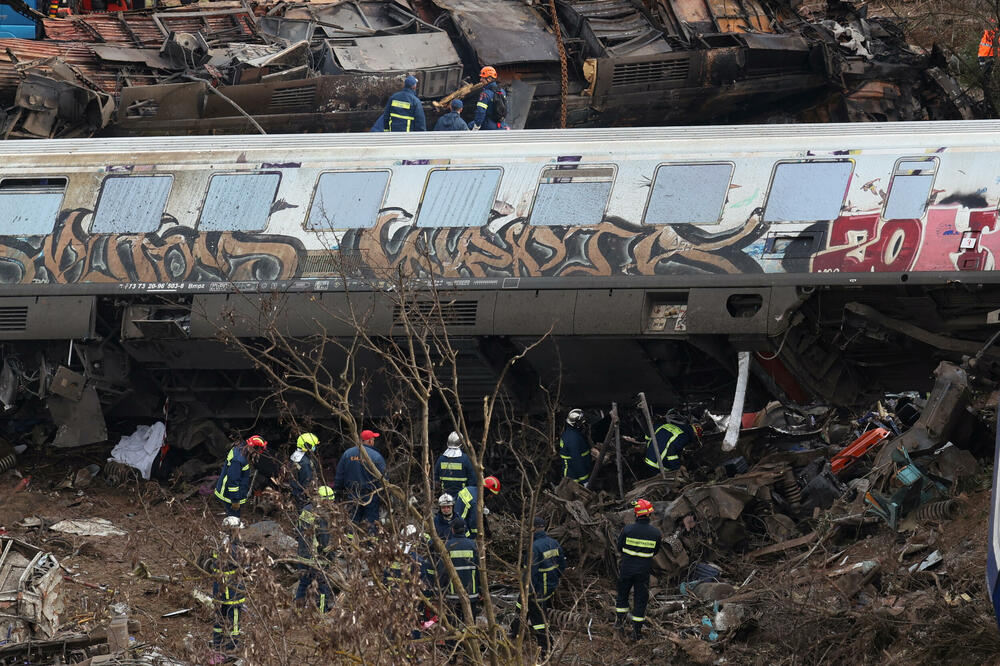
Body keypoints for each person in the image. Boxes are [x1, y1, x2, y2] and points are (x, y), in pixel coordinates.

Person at [509, 516, 565, 660]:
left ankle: (546, 648)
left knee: (538, 619)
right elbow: (562, 566)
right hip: (549, 586)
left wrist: (525, 587)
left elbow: (530, 572)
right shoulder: (554, 543)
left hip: (536, 588)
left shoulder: (534, 547)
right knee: (520, 605)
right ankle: (514, 631)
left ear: (532, 529)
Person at [615, 499, 661, 641]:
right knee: (640, 601)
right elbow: (655, 552)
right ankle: (636, 632)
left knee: (622, 596)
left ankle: (619, 625)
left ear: (636, 514)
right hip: (643, 572)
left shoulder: (627, 529)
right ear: (649, 514)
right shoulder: (656, 533)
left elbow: (619, 548)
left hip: (626, 569)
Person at [333, 429, 386, 527]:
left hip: (352, 495)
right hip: (371, 495)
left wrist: (337, 491)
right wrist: (383, 494)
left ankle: (351, 540)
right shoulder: (377, 457)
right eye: (373, 439)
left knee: (352, 523)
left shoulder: (347, 454)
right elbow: (384, 479)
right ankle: (372, 541)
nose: (373, 442)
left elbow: (340, 475)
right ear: (369, 441)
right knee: (371, 523)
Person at [294, 485, 335, 613]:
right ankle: (322, 610)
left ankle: (298, 609)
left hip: (303, 554)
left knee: (303, 583)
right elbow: (324, 538)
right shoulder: (320, 515)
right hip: (317, 558)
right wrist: (330, 553)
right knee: (322, 586)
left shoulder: (307, 510)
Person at [209, 516, 246, 657]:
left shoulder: (219, 544)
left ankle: (217, 644)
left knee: (219, 617)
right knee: (234, 618)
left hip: (218, 587)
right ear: (234, 530)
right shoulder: (235, 548)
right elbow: (243, 567)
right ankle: (232, 646)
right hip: (232, 588)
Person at [214, 435, 267, 518]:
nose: (259, 454)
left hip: (235, 493)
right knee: (234, 518)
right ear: (253, 447)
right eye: (259, 451)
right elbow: (233, 481)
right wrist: (235, 501)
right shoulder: (238, 460)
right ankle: (231, 529)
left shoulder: (242, 449)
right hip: (229, 494)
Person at [441, 517, 479, 620]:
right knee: (471, 623)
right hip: (471, 593)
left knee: (454, 624)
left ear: (452, 529)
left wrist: (440, 590)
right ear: (465, 529)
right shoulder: (473, 545)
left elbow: (442, 571)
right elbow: (479, 570)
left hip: (453, 593)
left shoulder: (447, 546)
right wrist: (481, 590)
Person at [434, 431, 476, 496]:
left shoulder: (441, 459)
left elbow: (435, 480)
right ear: (461, 444)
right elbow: (473, 481)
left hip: (444, 496)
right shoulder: (466, 459)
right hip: (463, 496)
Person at [469, 66, 509, 130]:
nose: (480, 80)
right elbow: (506, 110)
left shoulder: (485, 94)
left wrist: (476, 127)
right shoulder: (502, 91)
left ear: (489, 79)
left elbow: (480, 112)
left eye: (482, 78)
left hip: (488, 125)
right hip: (501, 125)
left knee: (470, 125)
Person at [559, 409, 591, 484]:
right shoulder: (573, 439)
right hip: (575, 478)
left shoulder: (570, 433)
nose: (583, 425)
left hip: (575, 474)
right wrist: (585, 481)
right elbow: (577, 460)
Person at [290, 432, 320, 511]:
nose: (315, 447)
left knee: (299, 512)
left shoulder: (295, 455)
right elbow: (308, 481)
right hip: (303, 495)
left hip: (296, 491)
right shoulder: (305, 463)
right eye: (314, 445)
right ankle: (305, 523)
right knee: (306, 515)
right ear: (308, 446)